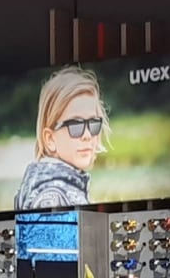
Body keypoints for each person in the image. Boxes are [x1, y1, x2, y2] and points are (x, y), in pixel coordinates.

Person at [14, 66, 106, 211]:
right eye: (75, 125)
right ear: (50, 139)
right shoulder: (52, 199)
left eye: (94, 123)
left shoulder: (51, 188)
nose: (87, 135)